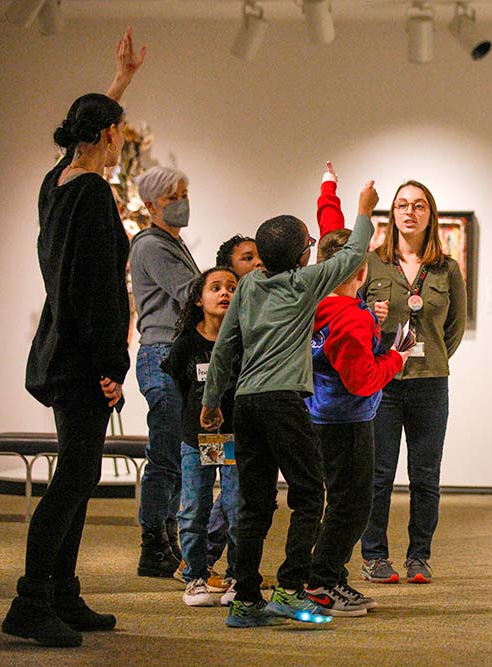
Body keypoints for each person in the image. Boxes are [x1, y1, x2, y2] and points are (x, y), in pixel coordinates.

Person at [2, 29, 145, 648]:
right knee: (74, 478)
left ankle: (62, 590)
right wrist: (112, 363)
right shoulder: (91, 194)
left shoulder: (55, 183)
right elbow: (96, 291)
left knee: (81, 474)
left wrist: (118, 85)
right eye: (119, 132)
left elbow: (80, 136)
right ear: (110, 136)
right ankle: (31, 601)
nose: (121, 144)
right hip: (83, 358)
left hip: (62, 352)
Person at [201, 178, 378, 629]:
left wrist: (211, 400)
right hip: (284, 402)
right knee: (308, 494)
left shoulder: (247, 287)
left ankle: (245, 601)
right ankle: (289, 587)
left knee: (254, 503)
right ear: (302, 256)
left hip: (245, 402)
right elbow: (354, 254)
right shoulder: (304, 284)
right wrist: (362, 208)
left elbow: (224, 347)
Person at [302, 168, 410, 616]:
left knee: (340, 499)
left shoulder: (313, 297)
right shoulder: (350, 316)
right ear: (360, 270)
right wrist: (397, 357)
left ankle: (333, 578)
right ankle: (321, 581)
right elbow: (363, 379)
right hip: (346, 419)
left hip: (319, 414)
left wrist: (330, 190)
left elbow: (331, 228)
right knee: (353, 505)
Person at [360, 180, 467, 585]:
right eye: (402, 205)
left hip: (429, 384)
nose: (410, 212)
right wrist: (373, 315)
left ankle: (419, 557)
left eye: (419, 206)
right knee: (379, 474)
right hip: (382, 383)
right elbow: (353, 322)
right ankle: (374, 557)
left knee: (425, 475)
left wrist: (432, 356)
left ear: (430, 215)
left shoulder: (446, 268)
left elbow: (453, 328)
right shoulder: (372, 264)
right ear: (392, 214)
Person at [131, 165, 202, 576]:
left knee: (178, 452)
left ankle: (169, 539)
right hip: (161, 354)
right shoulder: (151, 246)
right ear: (151, 204)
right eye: (172, 197)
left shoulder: (175, 243)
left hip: (178, 355)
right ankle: (153, 543)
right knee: (165, 456)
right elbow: (191, 294)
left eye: (184, 192)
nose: (181, 202)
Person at [162, 267, 241, 608]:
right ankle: (195, 576)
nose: (225, 293)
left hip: (236, 438)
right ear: (199, 298)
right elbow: (180, 384)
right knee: (194, 507)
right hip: (196, 440)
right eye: (216, 288)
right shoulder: (185, 344)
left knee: (238, 507)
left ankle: (238, 575)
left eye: (232, 288)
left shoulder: (244, 339)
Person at [204, 234, 264, 588]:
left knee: (238, 491)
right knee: (225, 493)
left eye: (259, 257)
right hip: (219, 423)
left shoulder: (258, 302)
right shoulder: (223, 320)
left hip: (246, 415)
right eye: (247, 258)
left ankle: (234, 568)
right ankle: (204, 562)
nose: (257, 263)